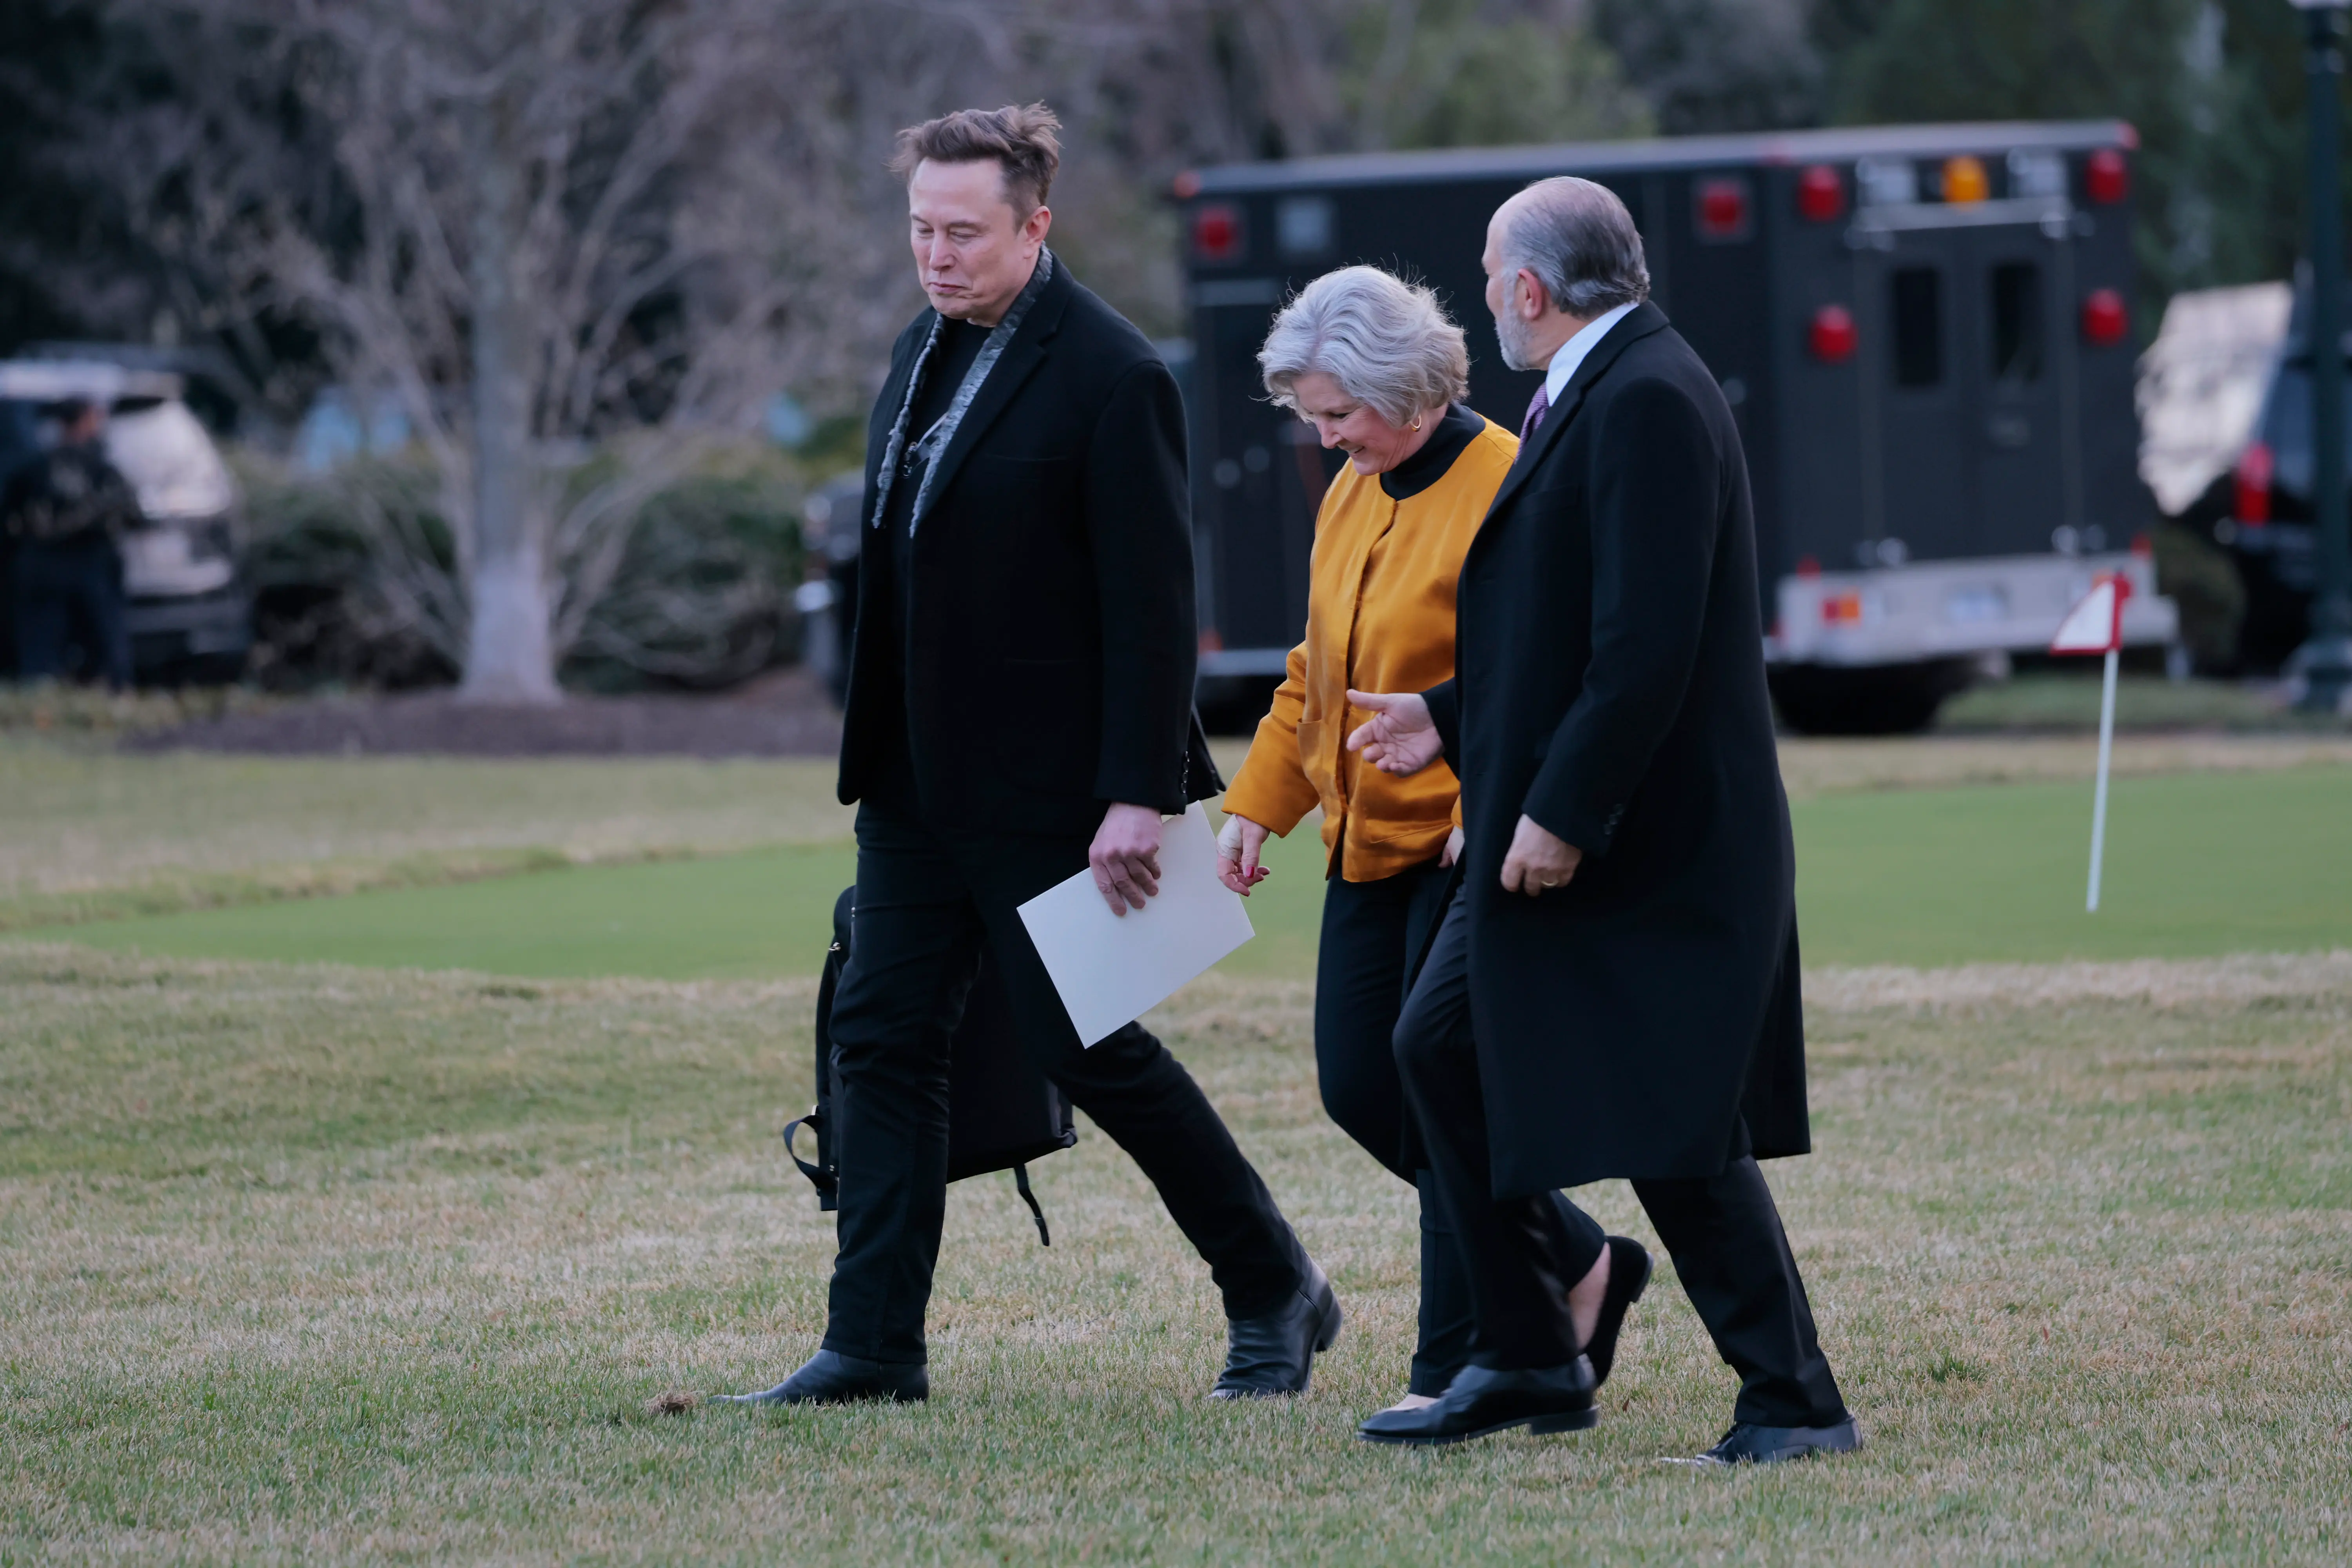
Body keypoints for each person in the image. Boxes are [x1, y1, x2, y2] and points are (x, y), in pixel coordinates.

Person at [725, 103, 1338, 1408]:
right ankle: (874, 1347)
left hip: (1058, 794)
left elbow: (1152, 607)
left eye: (964, 232)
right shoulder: (920, 347)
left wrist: (1133, 791)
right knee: (880, 1045)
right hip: (909, 786)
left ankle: (1273, 1285)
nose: (936, 256)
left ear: (1035, 227)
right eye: (920, 230)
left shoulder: (1114, 375)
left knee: (1093, 1051)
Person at [1346, 176, 1858, 1463]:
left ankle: (1794, 1401)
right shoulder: (1600, 385)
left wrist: (1564, 812)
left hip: (1644, 840)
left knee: (1674, 1122)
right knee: (1438, 1048)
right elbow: (1565, 624)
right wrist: (1450, 718)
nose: (1488, 292)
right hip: (1570, 814)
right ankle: (1529, 1352)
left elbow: (1645, 648)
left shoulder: (1646, 398)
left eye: (1489, 270)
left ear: (1529, 288)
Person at [1211, 265, 1517, 1415]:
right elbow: (1316, 671)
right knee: (1358, 1084)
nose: (1325, 436)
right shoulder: (1350, 486)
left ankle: (1452, 1366)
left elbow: (1532, 667)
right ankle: (1572, 1262)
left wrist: (1483, 800)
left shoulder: (1503, 479)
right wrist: (1255, 802)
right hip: (1358, 841)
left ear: (1410, 388)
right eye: (1311, 416)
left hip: (1455, 841)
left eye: (1337, 413)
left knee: (1436, 1083)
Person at [3, 398, 139, 689]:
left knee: (39, 653)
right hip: (93, 567)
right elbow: (134, 516)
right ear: (86, 419)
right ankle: (112, 700)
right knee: (108, 647)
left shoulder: (33, 467)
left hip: (41, 568)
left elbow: (10, 519)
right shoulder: (103, 471)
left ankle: (39, 704)